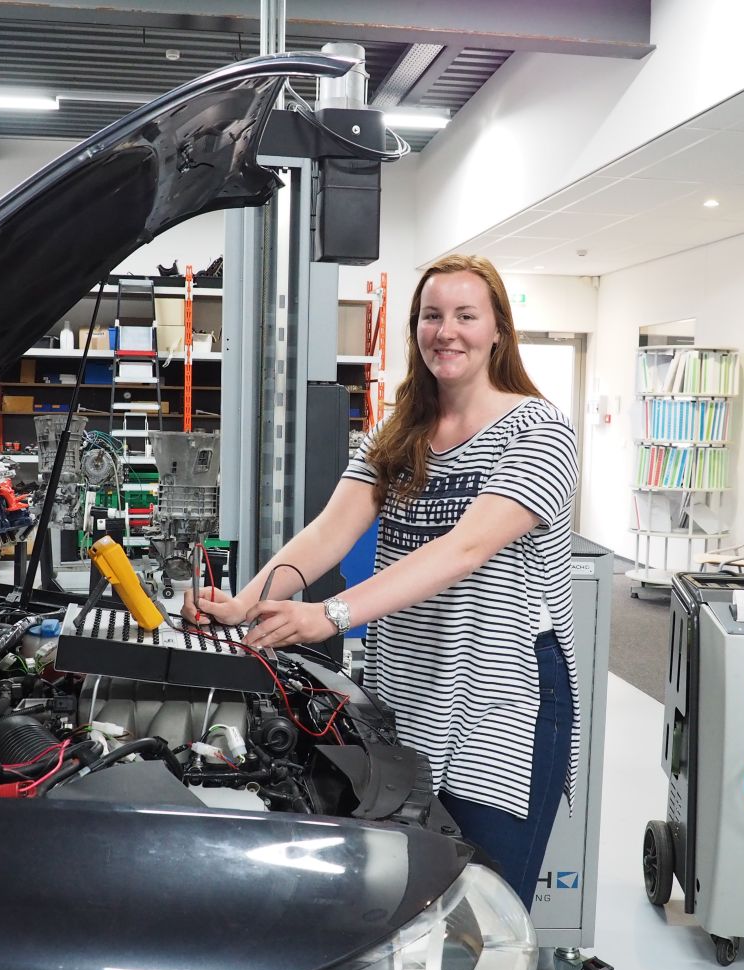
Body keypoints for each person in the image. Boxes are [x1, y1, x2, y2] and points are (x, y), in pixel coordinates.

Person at [185, 253, 580, 907]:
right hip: (411, 681)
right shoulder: (396, 435)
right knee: (406, 893)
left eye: (465, 316)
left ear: (497, 332)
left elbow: (465, 548)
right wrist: (245, 603)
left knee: (485, 900)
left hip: (503, 694)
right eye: (431, 316)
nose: (446, 331)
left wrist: (329, 615)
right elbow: (326, 534)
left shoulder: (539, 431)